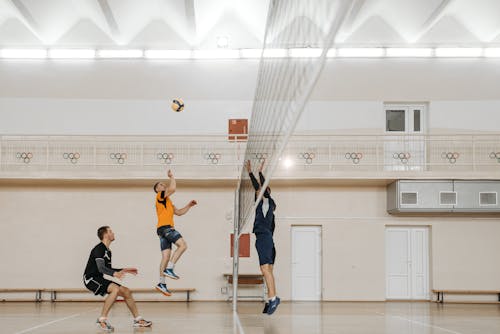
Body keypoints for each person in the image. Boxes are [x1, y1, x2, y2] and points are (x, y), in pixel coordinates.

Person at [83, 226, 152, 331]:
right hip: (90, 279)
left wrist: (123, 270)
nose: (113, 233)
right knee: (115, 289)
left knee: (126, 291)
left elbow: (108, 269)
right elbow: (101, 268)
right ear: (106, 235)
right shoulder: (99, 249)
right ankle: (102, 320)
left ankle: (138, 320)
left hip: (98, 278)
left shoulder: (108, 251)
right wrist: (115, 274)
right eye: (111, 231)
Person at [153, 169, 197, 296]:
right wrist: (171, 177)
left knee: (165, 257)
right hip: (166, 228)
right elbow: (172, 189)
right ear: (157, 190)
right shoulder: (160, 196)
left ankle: (161, 283)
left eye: (163, 184)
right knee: (183, 245)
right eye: (160, 185)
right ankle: (170, 268)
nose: (163, 185)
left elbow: (179, 213)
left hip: (161, 230)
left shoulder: (167, 201)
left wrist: (189, 205)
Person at [245, 159, 280, 315]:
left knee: (264, 269)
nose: (257, 191)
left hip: (264, 238)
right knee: (268, 270)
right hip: (267, 240)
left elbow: (261, 187)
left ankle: (273, 299)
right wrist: (251, 172)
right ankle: (270, 298)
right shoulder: (263, 206)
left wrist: (258, 171)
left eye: (261, 190)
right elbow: (257, 188)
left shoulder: (267, 201)